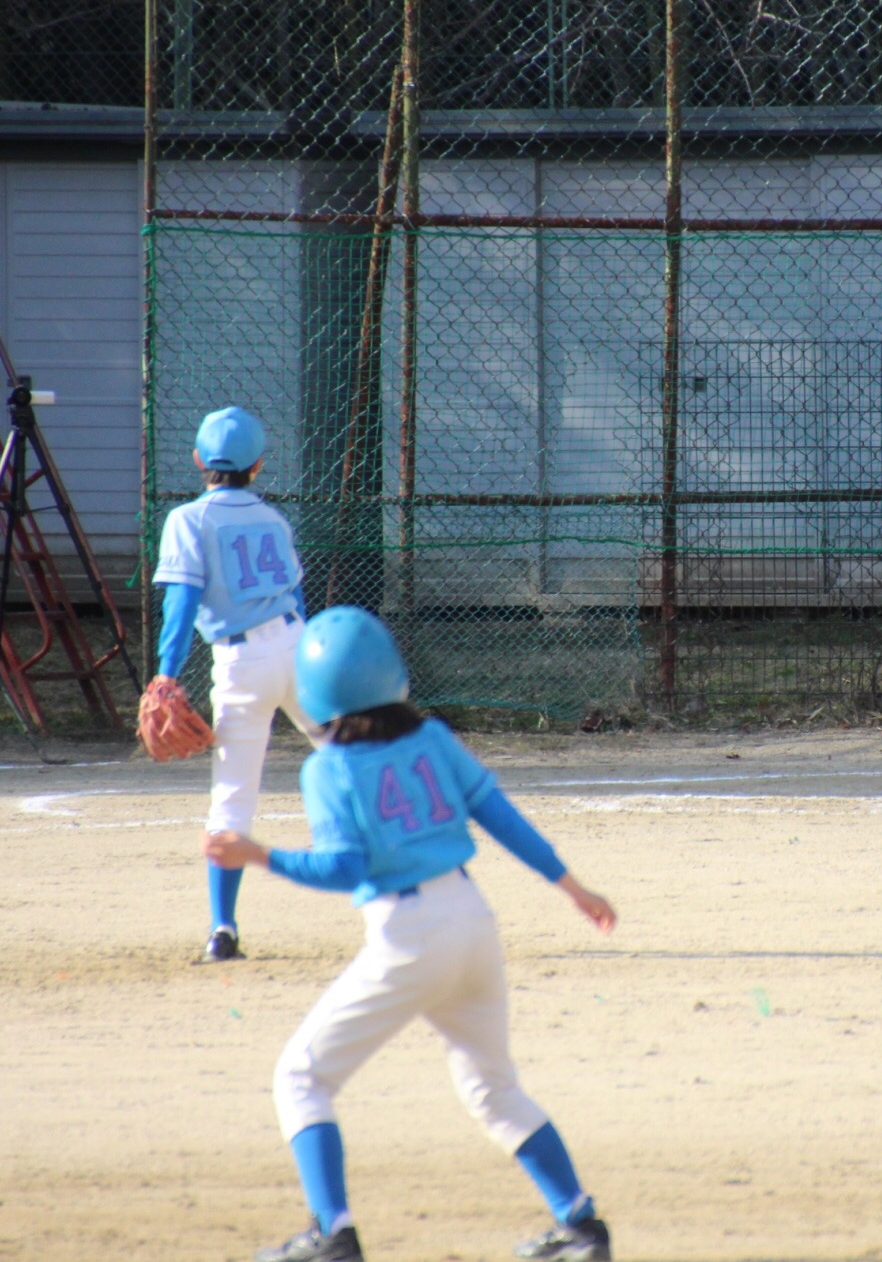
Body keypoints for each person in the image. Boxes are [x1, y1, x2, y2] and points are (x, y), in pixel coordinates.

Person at [205, 606, 619, 1262]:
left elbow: (346, 868)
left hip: (409, 936)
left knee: (301, 1078)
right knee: (494, 1089)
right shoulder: (432, 738)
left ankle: (333, 1234)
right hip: (473, 922)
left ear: (314, 691)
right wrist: (573, 887)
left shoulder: (328, 768)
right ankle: (582, 1228)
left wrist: (258, 855)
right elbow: (499, 815)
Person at [153, 406, 318, 963]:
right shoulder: (274, 519)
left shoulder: (188, 519)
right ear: (259, 465)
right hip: (297, 647)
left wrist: (167, 673)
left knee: (232, 796)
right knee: (356, 759)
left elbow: (181, 605)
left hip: (241, 663)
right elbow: (297, 600)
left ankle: (222, 930)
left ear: (198, 459)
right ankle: (417, 888)